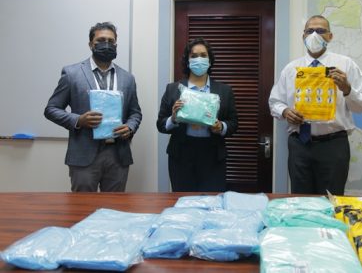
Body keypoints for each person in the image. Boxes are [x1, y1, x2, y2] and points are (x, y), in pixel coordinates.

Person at [269, 15, 362, 195]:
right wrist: (284, 112)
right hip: (300, 143)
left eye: (321, 31)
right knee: (301, 200)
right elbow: (274, 101)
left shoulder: (346, 65)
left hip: (334, 145)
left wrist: (347, 89)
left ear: (330, 36)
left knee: (331, 200)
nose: (314, 35)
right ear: (303, 36)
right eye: (310, 31)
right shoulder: (291, 69)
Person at [44, 22, 142, 192]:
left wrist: (130, 127)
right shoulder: (72, 73)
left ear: (116, 44)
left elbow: (135, 113)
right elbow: (51, 109)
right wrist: (78, 120)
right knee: (83, 210)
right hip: (84, 155)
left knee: (114, 211)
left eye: (111, 41)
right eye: (101, 40)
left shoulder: (127, 78)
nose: (107, 44)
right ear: (91, 44)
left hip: (118, 155)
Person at [156, 38, 238, 192]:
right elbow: (160, 124)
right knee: (183, 204)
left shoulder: (224, 91)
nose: (198, 59)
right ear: (187, 61)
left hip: (213, 155)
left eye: (203, 55)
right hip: (181, 155)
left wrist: (221, 127)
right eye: (194, 56)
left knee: (212, 204)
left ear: (210, 60)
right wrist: (173, 118)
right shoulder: (173, 89)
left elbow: (234, 123)